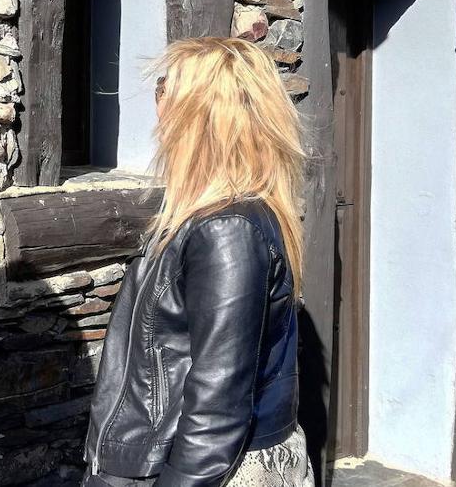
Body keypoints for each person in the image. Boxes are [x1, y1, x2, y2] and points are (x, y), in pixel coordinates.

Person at [84, 37, 311, 487]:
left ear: (201, 117)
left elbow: (216, 409)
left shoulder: (226, 229)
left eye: (166, 92)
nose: (158, 109)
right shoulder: (224, 215)